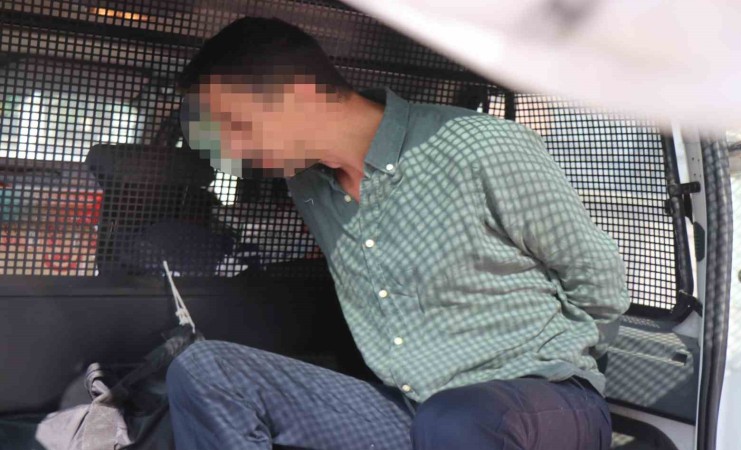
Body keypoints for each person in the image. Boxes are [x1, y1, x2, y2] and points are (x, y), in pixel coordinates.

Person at [169, 16, 630, 450]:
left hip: (541, 399)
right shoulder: (307, 186)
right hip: (414, 408)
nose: (232, 147)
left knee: (458, 419)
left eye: (236, 125)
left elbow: (599, 282)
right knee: (207, 370)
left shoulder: (479, 147)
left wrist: (561, 359)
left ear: (299, 94)